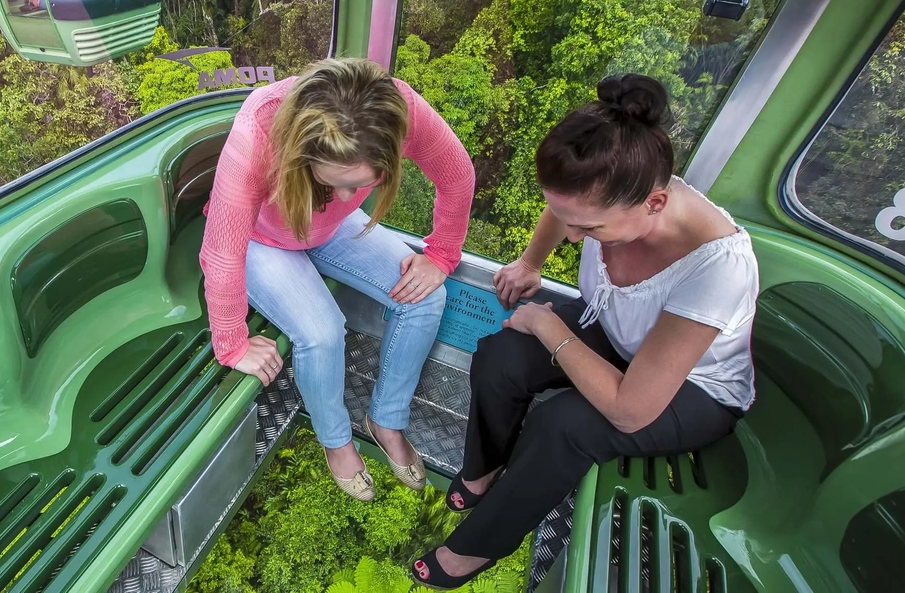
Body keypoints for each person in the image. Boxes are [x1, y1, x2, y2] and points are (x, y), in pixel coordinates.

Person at [409, 75, 757, 589]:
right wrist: (531, 262)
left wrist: (547, 323)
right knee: (503, 355)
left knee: (563, 424)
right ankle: (484, 470)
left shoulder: (716, 267)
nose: (573, 237)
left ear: (655, 204)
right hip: (617, 333)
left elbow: (629, 409)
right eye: (567, 219)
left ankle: (478, 547)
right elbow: (565, 210)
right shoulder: (609, 191)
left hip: (693, 389)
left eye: (590, 230)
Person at [200, 58, 475, 501]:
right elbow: (221, 250)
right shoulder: (259, 132)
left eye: (363, 183)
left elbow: (457, 174)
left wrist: (441, 255)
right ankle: (335, 440)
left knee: (426, 298)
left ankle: (386, 419)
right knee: (323, 333)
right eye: (336, 182)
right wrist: (231, 341)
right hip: (262, 237)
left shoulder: (401, 111)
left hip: (329, 228)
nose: (349, 196)